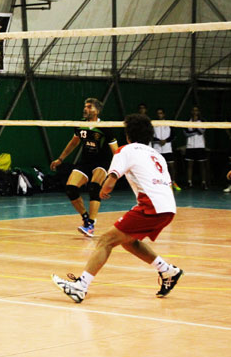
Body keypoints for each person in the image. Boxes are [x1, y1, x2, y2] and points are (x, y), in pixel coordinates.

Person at [52, 114, 183, 303]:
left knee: (106, 241)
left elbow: (111, 179)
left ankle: (80, 287)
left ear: (128, 135)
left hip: (150, 206)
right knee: (128, 241)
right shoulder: (157, 155)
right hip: (168, 207)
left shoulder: (126, 150)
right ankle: (168, 271)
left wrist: (104, 190)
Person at [50, 98, 119, 237]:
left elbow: (116, 152)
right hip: (85, 162)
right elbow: (73, 143)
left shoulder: (106, 127)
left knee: (94, 187)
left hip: (102, 162)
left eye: (89, 107)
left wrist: (117, 172)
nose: (85, 109)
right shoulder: (80, 125)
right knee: (70, 188)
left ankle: (91, 225)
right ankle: (86, 219)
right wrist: (60, 159)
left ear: (97, 111)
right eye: (85, 106)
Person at [152, 108, 180, 191]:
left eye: (161, 113)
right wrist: (159, 141)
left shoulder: (169, 123)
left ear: (164, 114)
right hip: (157, 149)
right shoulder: (153, 124)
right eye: (158, 113)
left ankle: (173, 182)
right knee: (156, 167)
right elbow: (150, 136)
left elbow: (173, 135)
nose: (159, 114)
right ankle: (157, 183)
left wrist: (165, 141)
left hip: (167, 149)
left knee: (171, 166)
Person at [184, 105, 207, 189]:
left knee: (202, 165)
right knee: (189, 165)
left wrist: (194, 130)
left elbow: (202, 131)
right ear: (191, 112)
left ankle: (204, 183)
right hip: (190, 146)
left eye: (196, 110)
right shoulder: (187, 122)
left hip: (200, 146)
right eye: (193, 110)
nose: (195, 112)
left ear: (198, 112)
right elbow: (186, 134)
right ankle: (189, 182)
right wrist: (196, 130)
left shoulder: (202, 121)